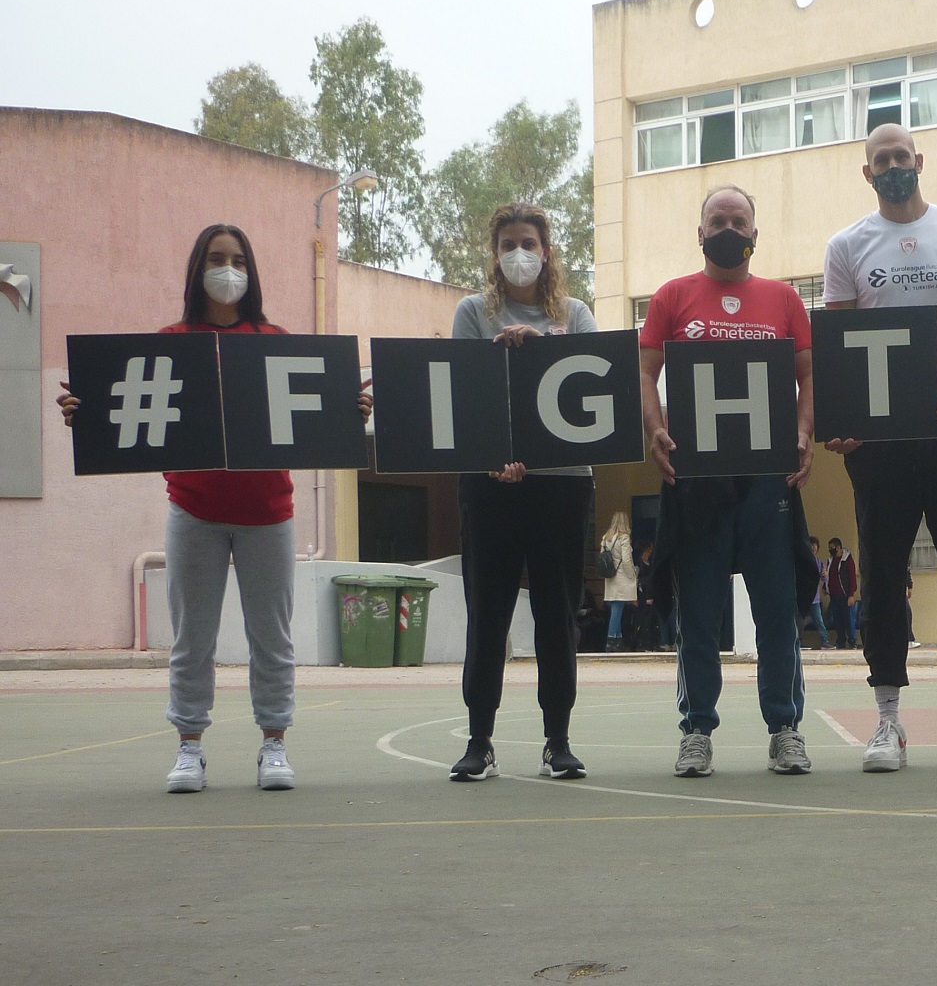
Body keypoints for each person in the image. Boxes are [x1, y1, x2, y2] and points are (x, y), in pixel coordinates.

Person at [57, 223, 370, 793]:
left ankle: (274, 745)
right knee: (191, 639)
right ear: (197, 269)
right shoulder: (171, 341)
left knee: (271, 639)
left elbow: (312, 414)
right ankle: (189, 749)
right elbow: (128, 410)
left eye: (238, 260)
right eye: (216, 258)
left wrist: (350, 410)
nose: (228, 269)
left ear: (252, 271)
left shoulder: (275, 339)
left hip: (268, 514)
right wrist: (89, 411)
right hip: (193, 512)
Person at [824, 123, 937, 772]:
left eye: (902, 155)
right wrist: (843, 421)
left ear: (919, 161)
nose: (894, 165)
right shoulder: (847, 246)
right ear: (867, 172)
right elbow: (838, 351)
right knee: (880, 579)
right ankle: (887, 723)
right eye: (882, 159)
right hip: (882, 442)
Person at [639, 185, 817, 778]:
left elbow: (808, 376)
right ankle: (696, 731)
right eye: (717, 221)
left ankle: (785, 728)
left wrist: (804, 432)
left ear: (755, 235)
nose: (728, 229)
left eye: (739, 221)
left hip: (768, 479)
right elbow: (644, 372)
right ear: (700, 233)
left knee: (777, 609)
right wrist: (656, 429)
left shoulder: (784, 298)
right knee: (699, 611)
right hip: (698, 481)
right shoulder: (671, 297)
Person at [448, 203, 597, 783]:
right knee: (487, 617)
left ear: (547, 250)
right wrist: (493, 462)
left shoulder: (575, 314)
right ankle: (479, 741)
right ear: (494, 253)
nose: (519, 253)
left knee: (556, 616)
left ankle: (558, 741)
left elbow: (592, 394)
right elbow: (464, 396)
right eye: (508, 243)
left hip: (561, 487)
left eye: (529, 243)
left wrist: (542, 349)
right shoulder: (472, 312)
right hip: (490, 490)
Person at [600, 511, 639, 650]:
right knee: (618, 608)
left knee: (617, 606)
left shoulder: (606, 538)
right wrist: (632, 575)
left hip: (610, 577)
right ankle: (611, 639)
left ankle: (618, 638)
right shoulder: (624, 538)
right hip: (622, 576)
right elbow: (627, 559)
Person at [822, 537, 857, 650]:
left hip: (845, 595)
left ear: (838, 547)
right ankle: (841, 641)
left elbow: (852, 578)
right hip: (834, 595)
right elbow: (829, 576)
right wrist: (825, 587)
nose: (831, 550)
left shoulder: (848, 560)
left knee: (849, 619)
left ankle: (852, 641)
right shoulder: (830, 560)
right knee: (838, 620)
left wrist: (851, 595)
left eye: (832, 548)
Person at [802, 536, 827, 649]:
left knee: (819, 620)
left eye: (815, 546)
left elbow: (824, 579)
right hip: (803, 597)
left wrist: (825, 575)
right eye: (811, 545)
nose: (813, 548)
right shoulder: (803, 561)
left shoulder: (819, 562)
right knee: (799, 621)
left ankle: (825, 641)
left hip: (815, 598)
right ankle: (798, 641)